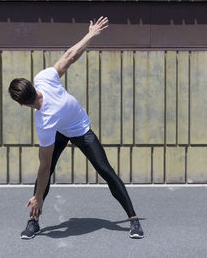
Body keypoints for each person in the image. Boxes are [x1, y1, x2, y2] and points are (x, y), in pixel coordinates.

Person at [8, 16, 144, 239]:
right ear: (31, 85)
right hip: (61, 130)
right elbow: (69, 57)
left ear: (22, 104)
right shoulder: (43, 81)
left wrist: (39, 197)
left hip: (80, 129)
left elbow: (42, 168)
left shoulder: (44, 121)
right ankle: (34, 222)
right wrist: (90, 34)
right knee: (48, 171)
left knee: (105, 171)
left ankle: (133, 219)